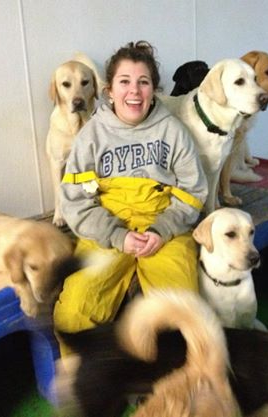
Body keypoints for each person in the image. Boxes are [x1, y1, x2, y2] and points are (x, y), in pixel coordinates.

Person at [53, 41, 208, 338]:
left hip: (164, 229)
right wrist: (117, 236)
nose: (134, 91)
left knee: (183, 314)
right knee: (75, 311)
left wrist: (162, 230)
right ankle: (90, 369)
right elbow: (75, 200)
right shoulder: (90, 136)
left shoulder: (173, 131)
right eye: (124, 82)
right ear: (109, 91)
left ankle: (173, 368)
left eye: (143, 82)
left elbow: (193, 191)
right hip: (106, 230)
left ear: (154, 90)